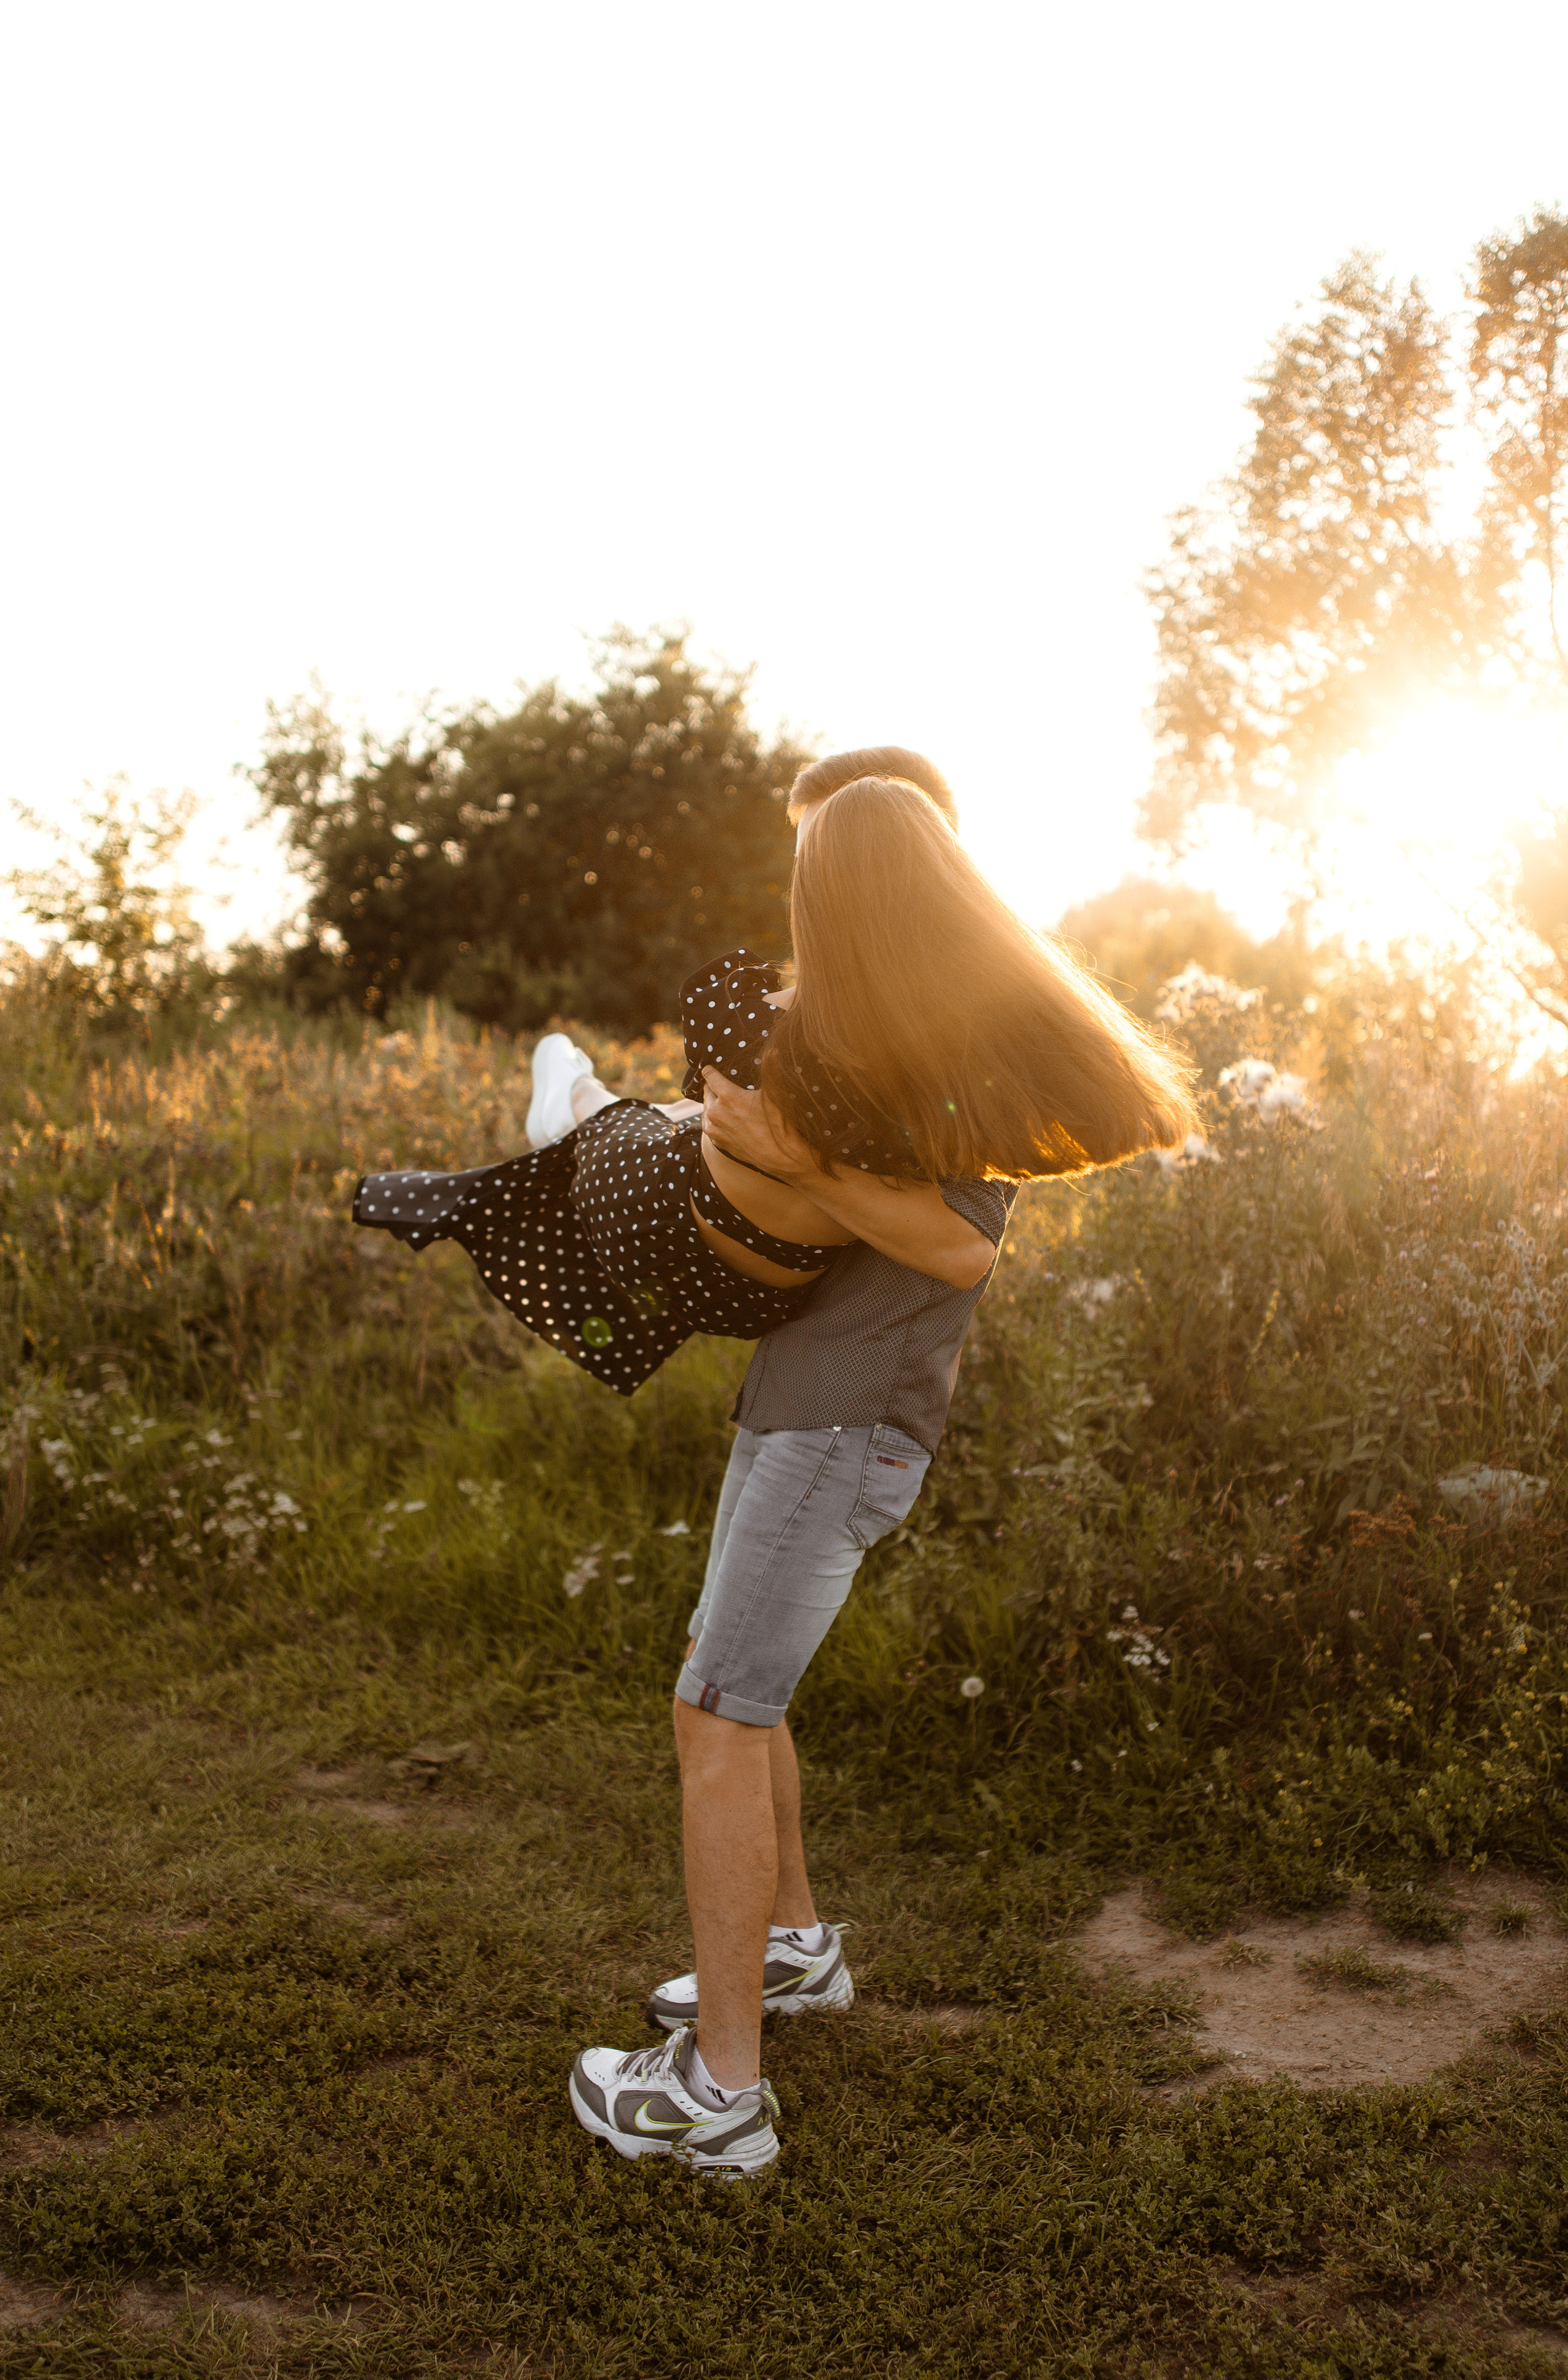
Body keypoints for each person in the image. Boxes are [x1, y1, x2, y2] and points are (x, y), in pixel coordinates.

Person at [356, 746, 1197, 2178]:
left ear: (858, 888)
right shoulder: (885, 1026)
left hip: (845, 1422)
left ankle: (720, 2097)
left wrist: (776, 1158)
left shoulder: (945, 1038)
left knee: (713, 1717)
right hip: (809, 1406)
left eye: (809, 876)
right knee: (732, 1685)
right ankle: (794, 1950)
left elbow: (957, 1248)